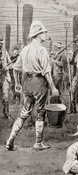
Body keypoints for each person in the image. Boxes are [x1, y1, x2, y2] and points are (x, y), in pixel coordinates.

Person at [5, 21, 59, 151]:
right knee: (41, 112)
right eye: (43, 32)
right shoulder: (41, 50)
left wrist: (18, 83)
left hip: (27, 83)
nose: (45, 34)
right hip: (39, 82)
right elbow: (46, 72)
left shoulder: (25, 49)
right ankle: (38, 143)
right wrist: (53, 88)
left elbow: (16, 68)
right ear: (38, 34)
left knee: (24, 112)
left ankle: (10, 140)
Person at [0, 35, 13, 119]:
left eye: (1, 43)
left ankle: (6, 113)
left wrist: (7, 67)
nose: (0, 45)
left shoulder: (5, 53)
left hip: (4, 76)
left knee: (6, 97)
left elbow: (11, 64)